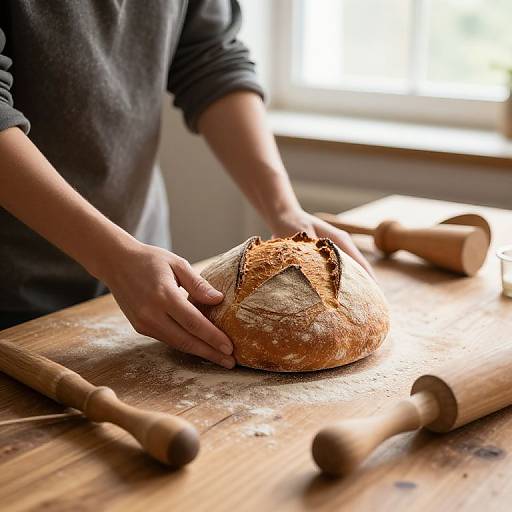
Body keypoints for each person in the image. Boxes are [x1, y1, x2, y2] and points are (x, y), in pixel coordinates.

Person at [0, 1, 372, 369]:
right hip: (13, 288)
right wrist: (111, 257)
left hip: (141, 270)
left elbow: (210, 58)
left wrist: (283, 208)